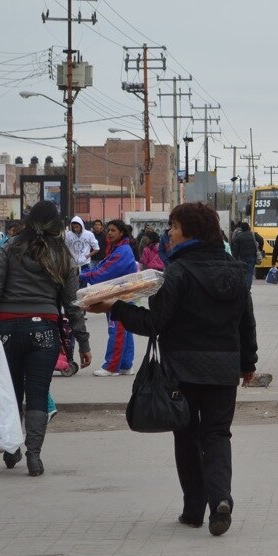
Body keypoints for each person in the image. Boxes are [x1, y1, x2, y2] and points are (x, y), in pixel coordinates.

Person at [87, 202, 257, 536]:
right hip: (223, 369)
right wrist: (247, 363)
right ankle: (220, 499)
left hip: (183, 368)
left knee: (187, 435)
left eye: (174, 226)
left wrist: (115, 307)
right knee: (218, 434)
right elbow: (246, 323)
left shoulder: (176, 272)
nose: (169, 233)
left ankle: (194, 510)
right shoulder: (235, 270)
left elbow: (153, 323)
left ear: (190, 231)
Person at [0, 200, 92, 476]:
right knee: (38, 394)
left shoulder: (10, 247)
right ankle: (34, 456)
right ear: (57, 225)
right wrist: (84, 343)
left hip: (6, 331)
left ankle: (12, 447)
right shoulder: (64, 255)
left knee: (11, 393)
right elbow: (73, 303)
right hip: (44, 331)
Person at [81, 219, 138, 377]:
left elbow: (103, 272)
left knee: (117, 330)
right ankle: (126, 365)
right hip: (120, 295)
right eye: (109, 230)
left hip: (119, 297)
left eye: (113, 230)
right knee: (125, 330)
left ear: (121, 232)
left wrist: (81, 276)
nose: (109, 233)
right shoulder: (119, 249)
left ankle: (112, 367)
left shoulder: (122, 251)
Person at [228, 221, 261, 289]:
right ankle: (248, 287)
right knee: (249, 272)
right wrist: (260, 249)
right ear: (248, 228)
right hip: (252, 257)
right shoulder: (253, 234)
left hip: (242, 258)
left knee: (242, 273)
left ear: (241, 229)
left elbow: (235, 250)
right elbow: (261, 240)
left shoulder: (238, 237)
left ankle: (243, 287)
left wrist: (234, 259)